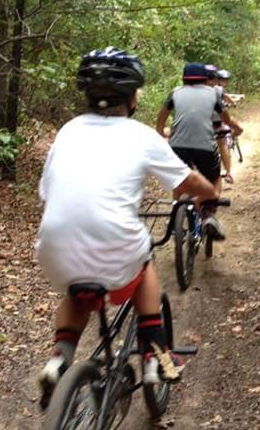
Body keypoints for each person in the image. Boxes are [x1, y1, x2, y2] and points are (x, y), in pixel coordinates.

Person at [35, 47, 216, 409]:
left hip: (53, 247)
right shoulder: (141, 136)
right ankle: (155, 356)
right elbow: (186, 180)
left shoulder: (68, 130)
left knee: (75, 293)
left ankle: (59, 358)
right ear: (132, 96)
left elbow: (46, 190)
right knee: (144, 262)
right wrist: (209, 192)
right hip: (113, 245)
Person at [155, 62, 242, 240]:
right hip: (204, 147)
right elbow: (225, 118)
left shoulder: (175, 92)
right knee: (216, 177)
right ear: (205, 79)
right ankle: (209, 214)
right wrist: (237, 129)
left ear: (183, 79)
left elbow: (162, 116)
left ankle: (175, 210)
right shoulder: (213, 93)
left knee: (180, 178)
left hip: (177, 146)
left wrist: (160, 132)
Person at [205, 65, 236, 184]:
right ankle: (228, 173)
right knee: (222, 145)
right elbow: (227, 99)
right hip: (216, 123)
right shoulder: (218, 90)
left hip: (201, 123)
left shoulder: (195, 89)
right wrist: (233, 103)